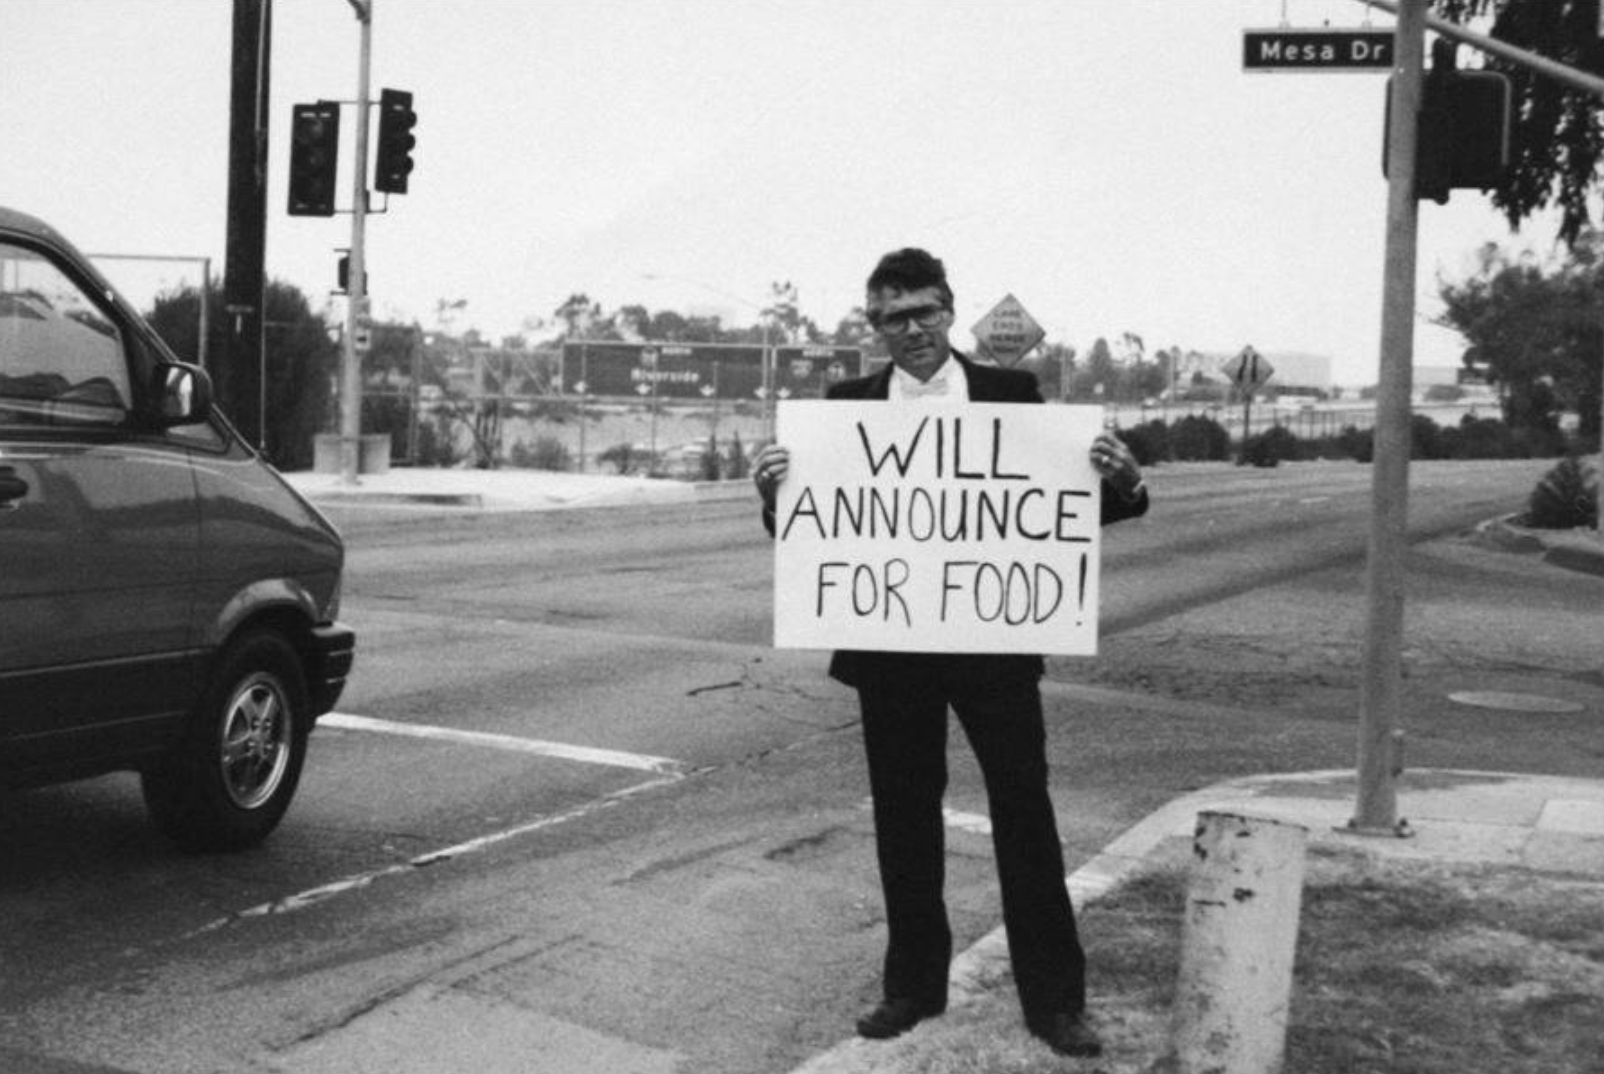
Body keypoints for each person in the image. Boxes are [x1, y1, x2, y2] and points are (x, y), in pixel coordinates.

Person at [753, 248, 1148, 1059]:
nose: (912, 330)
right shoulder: (845, 409)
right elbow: (811, 527)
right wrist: (772, 493)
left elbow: (1057, 512)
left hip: (992, 647)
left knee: (1024, 812)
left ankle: (1054, 1000)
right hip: (890, 647)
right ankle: (913, 986)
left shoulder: (1012, 395)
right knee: (904, 818)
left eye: (925, 312)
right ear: (874, 327)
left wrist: (1125, 484)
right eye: (893, 318)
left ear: (949, 309)